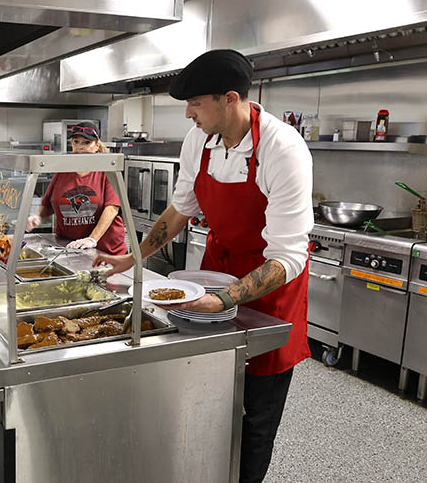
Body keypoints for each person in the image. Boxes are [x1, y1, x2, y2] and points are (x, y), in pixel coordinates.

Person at [94, 49, 313, 483]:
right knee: (209, 398)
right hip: (215, 272)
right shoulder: (200, 140)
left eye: (195, 104)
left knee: (255, 417)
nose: (188, 114)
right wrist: (130, 255)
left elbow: (289, 255)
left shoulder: (282, 147)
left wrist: (225, 298)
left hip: (270, 289)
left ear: (230, 98)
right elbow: (180, 210)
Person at [25, 121, 127, 255]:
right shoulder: (63, 172)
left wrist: (92, 239)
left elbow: (112, 209)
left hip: (106, 250)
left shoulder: (107, 171)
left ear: (97, 145)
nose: (80, 147)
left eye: (86, 143)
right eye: (76, 142)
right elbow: (50, 204)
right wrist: (38, 217)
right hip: (72, 249)